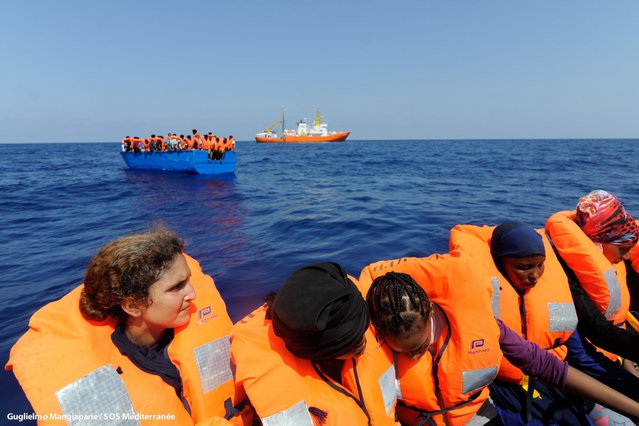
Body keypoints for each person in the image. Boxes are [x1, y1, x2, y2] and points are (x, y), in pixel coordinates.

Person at [359, 252, 639, 426]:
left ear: (431, 310)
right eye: (405, 353)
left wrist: (634, 408)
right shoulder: (372, 345)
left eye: (420, 346)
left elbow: (551, 368)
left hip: (479, 417)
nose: (416, 356)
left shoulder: (478, 322)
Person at [6, 227, 247, 425]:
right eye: (176, 288)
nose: (193, 294)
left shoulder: (185, 322)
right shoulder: (96, 380)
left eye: (188, 281)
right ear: (132, 306)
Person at [450, 221, 639, 424]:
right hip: (506, 388)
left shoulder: (552, 299)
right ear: (499, 264)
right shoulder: (482, 305)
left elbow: (582, 356)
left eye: (540, 265)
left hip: (552, 380)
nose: (535, 276)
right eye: (524, 268)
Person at [231, 262, 400, 426]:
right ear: (321, 351)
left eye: (361, 333)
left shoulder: (346, 299)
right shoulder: (265, 363)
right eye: (352, 344)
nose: (364, 345)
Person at [546, 190, 639, 368]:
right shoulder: (566, 273)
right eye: (622, 249)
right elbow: (597, 330)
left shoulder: (608, 262)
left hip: (617, 352)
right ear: (599, 241)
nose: (627, 256)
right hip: (585, 358)